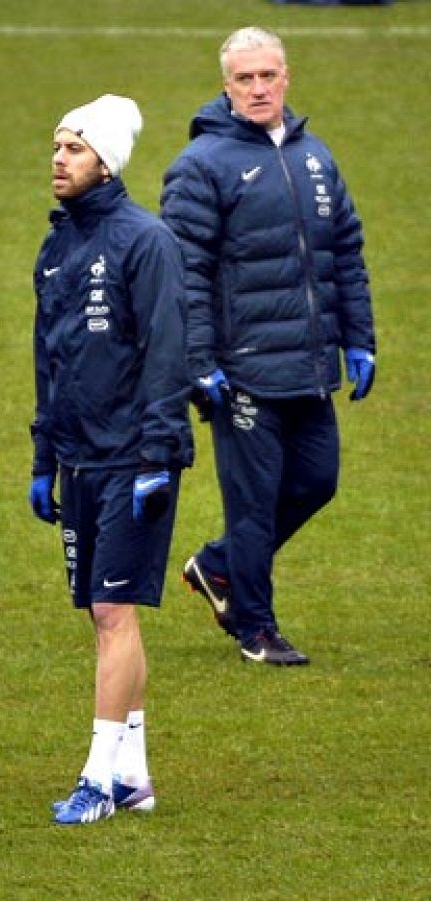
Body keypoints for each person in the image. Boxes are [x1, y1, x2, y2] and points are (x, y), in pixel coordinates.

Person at [161, 27, 377, 666]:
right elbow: (183, 276)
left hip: (310, 362)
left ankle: (219, 567)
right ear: (226, 86)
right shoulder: (200, 166)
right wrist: (199, 364)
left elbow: (345, 254)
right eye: (243, 79)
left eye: (267, 76)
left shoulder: (317, 157)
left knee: (317, 481)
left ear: (286, 78)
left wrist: (359, 339)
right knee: (253, 505)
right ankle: (255, 627)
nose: (257, 88)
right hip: (242, 370)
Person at [29, 95, 193, 825]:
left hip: (135, 454)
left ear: (105, 159)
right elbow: (50, 361)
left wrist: (159, 452)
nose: (58, 158)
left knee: (112, 606)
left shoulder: (145, 241)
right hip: (80, 457)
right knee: (106, 619)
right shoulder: (57, 246)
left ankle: (97, 777)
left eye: (73, 146)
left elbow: (167, 351)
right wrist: (44, 455)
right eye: (57, 145)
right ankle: (134, 772)